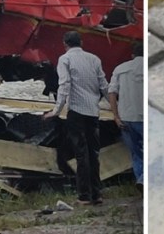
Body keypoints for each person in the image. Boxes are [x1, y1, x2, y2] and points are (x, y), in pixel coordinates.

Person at [43, 31, 108, 205]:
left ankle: (84, 196)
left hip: (76, 112)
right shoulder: (94, 59)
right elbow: (104, 86)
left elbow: (64, 85)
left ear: (65, 44)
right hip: (93, 112)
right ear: (82, 42)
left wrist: (56, 111)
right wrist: (118, 110)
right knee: (94, 154)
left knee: (81, 154)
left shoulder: (65, 60)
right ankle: (97, 194)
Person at [108, 42, 144, 192]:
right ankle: (145, 180)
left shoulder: (120, 69)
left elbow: (112, 93)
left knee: (136, 153)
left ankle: (141, 179)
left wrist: (116, 116)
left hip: (126, 119)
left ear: (132, 55)